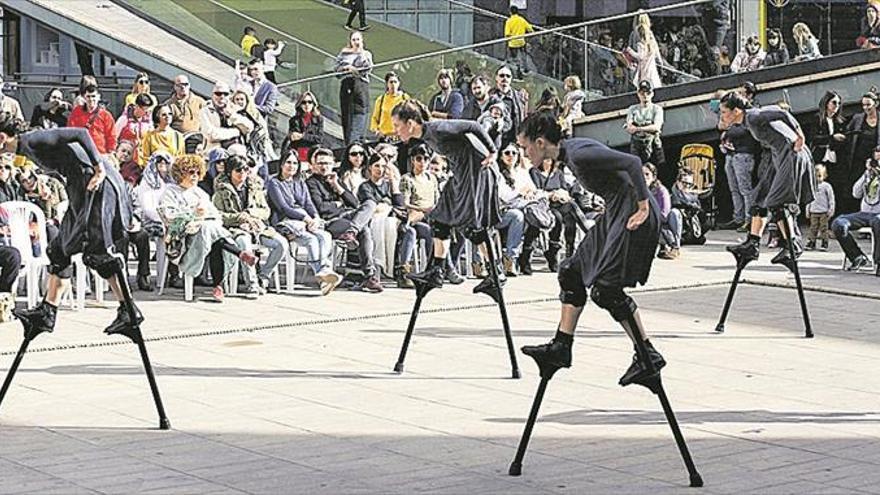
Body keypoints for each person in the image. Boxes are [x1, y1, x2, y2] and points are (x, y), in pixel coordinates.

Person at [516, 110, 665, 386]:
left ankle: (647, 354)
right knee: (571, 271)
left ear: (539, 142)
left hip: (633, 211)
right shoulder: (571, 153)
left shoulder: (578, 155)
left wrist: (643, 206)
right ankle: (561, 346)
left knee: (606, 290)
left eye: (525, 148)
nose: (525, 155)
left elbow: (633, 162)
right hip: (618, 210)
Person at [0, 116, 141, 336]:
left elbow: (81, 134)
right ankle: (48, 310)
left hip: (95, 184)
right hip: (80, 185)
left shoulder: (32, 139)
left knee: (98, 253)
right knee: (59, 249)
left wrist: (98, 168)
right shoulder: (26, 148)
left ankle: (128, 310)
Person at [391, 99, 500, 291]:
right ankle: (436, 271)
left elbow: (473, 125)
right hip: (460, 173)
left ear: (410, 123)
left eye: (397, 126)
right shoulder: (425, 136)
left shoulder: (437, 127)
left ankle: (495, 272)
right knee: (440, 218)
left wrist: (492, 151)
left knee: (472, 226)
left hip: (475, 171)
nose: (395, 131)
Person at [721, 92, 816, 266]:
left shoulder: (753, 116)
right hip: (777, 155)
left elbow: (782, 112)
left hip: (791, 154)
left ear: (736, 111)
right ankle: (752, 243)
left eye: (724, 112)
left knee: (776, 202)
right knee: (760, 198)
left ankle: (792, 245)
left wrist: (800, 136)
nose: (722, 116)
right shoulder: (747, 121)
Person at [159, 154, 258, 302]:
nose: (194, 176)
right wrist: (193, 215)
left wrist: (204, 216)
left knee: (212, 235)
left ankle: (218, 285)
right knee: (209, 230)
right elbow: (169, 216)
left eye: (197, 172)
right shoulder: (170, 192)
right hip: (182, 239)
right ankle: (239, 254)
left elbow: (216, 216)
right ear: (181, 173)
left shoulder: (200, 193)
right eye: (190, 172)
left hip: (206, 236)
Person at [306, 147, 382, 292]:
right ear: (314, 165)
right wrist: (338, 204)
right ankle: (369, 276)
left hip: (347, 216)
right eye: (321, 163)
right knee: (364, 230)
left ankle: (352, 232)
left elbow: (354, 203)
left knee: (370, 204)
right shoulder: (311, 183)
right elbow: (321, 208)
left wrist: (337, 186)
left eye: (327, 163)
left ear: (333, 164)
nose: (324, 166)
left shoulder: (336, 179)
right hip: (329, 221)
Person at [266, 151, 341, 295]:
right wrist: (305, 219)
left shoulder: (299, 182)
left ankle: (324, 272)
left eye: (295, 163)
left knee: (325, 236)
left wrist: (315, 218)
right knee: (311, 240)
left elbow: (308, 203)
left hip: (305, 221)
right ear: (281, 164)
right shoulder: (274, 183)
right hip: (285, 222)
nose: (291, 166)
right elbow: (284, 207)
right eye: (288, 162)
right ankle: (322, 276)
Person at [212, 154, 286, 295]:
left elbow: (266, 211)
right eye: (238, 170)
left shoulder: (254, 188)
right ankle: (251, 284)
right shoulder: (221, 191)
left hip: (257, 228)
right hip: (235, 230)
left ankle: (263, 277)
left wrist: (252, 213)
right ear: (230, 172)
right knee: (244, 243)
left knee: (281, 244)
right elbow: (218, 215)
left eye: (246, 170)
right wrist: (240, 218)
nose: (243, 174)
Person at [524, 157, 585, 273]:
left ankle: (569, 252)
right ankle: (551, 252)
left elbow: (565, 189)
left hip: (560, 203)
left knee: (570, 214)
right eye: (546, 160)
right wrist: (551, 194)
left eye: (550, 160)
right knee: (557, 217)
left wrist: (562, 194)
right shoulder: (534, 172)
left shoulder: (558, 173)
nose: (548, 162)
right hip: (544, 205)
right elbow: (536, 190)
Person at [832, 149, 880, 275]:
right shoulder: (868, 175)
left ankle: (879, 262)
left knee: (878, 221)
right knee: (839, 223)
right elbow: (856, 194)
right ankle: (857, 257)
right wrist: (866, 174)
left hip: (878, 215)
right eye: (876, 161)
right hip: (864, 213)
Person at [131, 152, 174, 290]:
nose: (163, 166)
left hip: (167, 217)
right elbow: (147, 208)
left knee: (178, 231)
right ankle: (144, 274)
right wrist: (163, 219)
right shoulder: (147, 181)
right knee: (149, 234)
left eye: (165, 163)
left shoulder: (170, 181)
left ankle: (171, 274)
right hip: (147, 218)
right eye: (159, 163)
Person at [397, 142, 437, 288]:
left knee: (434, 231)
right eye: (419, 158)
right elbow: (404, 203)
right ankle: (403, 271)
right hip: (411, 218)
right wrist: (423, 209)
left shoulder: (432, 178)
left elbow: (437, 199)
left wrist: (431, 209)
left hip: (430, 216)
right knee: (413, 232)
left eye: (426, 159)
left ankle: (433, 269)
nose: (423, 162)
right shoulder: (407, 178)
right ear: (413, 160)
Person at [358, 153, 404, 279]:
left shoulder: (388, 185)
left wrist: (393, 182)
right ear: (370, 168)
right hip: (373, 220)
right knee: (383, 224)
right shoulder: (364, 186)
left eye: (383, 166)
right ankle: (378, 266)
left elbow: (400, 206)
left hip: (392, 220)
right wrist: (389, 207)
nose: (380, 169)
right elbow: (373, 207)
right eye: (376, 166)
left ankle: (398, 270)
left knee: (406, 230)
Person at [495, 142, 532, 276]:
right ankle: (510, 258)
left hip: (524, 206)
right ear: (501, 156)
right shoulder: (498, 174)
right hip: (501, 213)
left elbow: (532, 189)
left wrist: (529, 193)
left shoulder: (522, 172)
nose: (511, 156)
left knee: (534, 216)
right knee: (518, 215)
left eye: (514, 153)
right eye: (507, 153)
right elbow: (504, 196)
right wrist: (520, 191)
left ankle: (525, 257)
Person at [719, 115, 759, 231]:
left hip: (743, 155)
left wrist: (727, 130)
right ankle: (738, 218)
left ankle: (749, 220)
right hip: (731, 154)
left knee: (745, 190)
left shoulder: (748, 115)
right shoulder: (731, 118)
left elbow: (740, 131)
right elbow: (721, 126)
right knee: (734, 190)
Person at [843, 90, 880, 214]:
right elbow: (848, 134)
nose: (866, 108)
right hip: (858, 160)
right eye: (863, 105)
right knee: (856, 188)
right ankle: (856, 214)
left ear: (875, 104)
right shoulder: (857, 118)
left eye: (868, 104)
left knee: (873, 188)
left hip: (876, 161)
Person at [335, 31, 373, 146]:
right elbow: (336, 70)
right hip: (347, 86)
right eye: (354, 40)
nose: (356, 42)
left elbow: (367, 68)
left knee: (360, 115)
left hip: (360, 87)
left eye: (358, 39)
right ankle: (349, 143)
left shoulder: (366, 54)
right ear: (350, 41)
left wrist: (360, 53)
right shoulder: (344, 53)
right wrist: (347, 68)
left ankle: (355, 142)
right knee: (347, 117)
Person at [625, 80, 666, 181]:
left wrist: (638, 128)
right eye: (642, 93)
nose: (645, 95)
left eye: (648, 93)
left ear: (652, 94)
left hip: (653, 146)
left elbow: (656, 127)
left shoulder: (657, 109)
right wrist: (646, 127)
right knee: (637, 172)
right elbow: (629, 128)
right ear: (638, 94)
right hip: (637, 147)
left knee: (656, 171)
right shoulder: (632, 109)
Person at [199, 81, 254, 151]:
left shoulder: (235, 108)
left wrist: (232, 116)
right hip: (213, 151)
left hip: (236, 151)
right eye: (218, 94)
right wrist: (237, 131)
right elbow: (211, 135)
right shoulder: (205, 111)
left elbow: (249, 128)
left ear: (229, 96)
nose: (222, 97)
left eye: (225, 94)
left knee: (238, 150)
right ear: (212, 95)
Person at [67, 83, 116, 155]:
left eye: (93, 96)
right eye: (88, 96)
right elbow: (70, 131)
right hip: (81, 153)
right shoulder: (76, 112)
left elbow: (111, 136)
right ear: (84, 97)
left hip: (100, 153)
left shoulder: (106, 115)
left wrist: (110, 153)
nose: (91, 99)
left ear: (98, 97)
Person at [644, 163, 680, 260]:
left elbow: (664, 214)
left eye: (647, 174)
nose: (644, 177)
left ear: (653, 177)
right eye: (642, 174)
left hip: (660, 222)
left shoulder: (661, 191)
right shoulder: (638, 190)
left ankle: (672, 246)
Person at [490, 66, 529, 148]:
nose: (505, 78)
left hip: (513, 144)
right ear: (496, 78)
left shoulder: (519, 98)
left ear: (511, 79)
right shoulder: (489, 97)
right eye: (502, 75)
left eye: (508, 76)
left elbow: (523, 120)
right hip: (493, 142)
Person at [282, 91, 324, 163]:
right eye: (304, 102)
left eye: (309, 102)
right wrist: (292, 136)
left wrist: (302, 136)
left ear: (313, 104)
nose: (307, 105)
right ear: (300, 105)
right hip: (298, 153)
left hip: (313, 153)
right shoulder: (294, 120)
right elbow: (293, 137)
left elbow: (319, 138)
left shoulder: (319, 119)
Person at [140, 104, 185, 168]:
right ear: (157, 117)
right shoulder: (149, 136)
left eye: (170, 114)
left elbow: (181, 158)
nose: (167, 116)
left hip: (172, 173)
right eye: (164, 115)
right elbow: (144, 158)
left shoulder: (178, 136)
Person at [370, 72, 408, 141]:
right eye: (391, 82)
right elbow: (374, 118)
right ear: (387, 84)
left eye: (395, 82)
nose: (393, 84)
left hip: (400, 136)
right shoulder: (381, 99)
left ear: (399, 83)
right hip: (384, 137)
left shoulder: (404, 98)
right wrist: (376, 130)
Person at [625, 22, 662, 90]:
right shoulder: (651, 43)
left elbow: (640, 56)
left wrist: (630, 51)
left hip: (644, 68)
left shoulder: (640, 44)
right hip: (651, 66)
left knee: (644, 83)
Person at [805, 164, 834, 251]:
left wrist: (831, 209)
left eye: (819, 176)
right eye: (815, 176)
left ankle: (824, 242)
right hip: (813, 211)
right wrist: (807, 210)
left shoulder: (826, 186)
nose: (817, 178)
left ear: (824, 176)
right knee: (813, 227)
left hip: (823, 211)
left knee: (823, 228)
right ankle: (811, 242)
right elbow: (808, 199)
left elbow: (831, 198)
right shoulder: (811, 186)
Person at [504, 6, 534, 80]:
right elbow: (530, 30)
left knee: (514, 60)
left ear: (510, 12)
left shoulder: (509, 21)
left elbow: (507, 34)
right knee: (523, 57)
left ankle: (518, 75)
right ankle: (526, 70)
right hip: (521, 42)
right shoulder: (522, 20)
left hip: (513, 43)